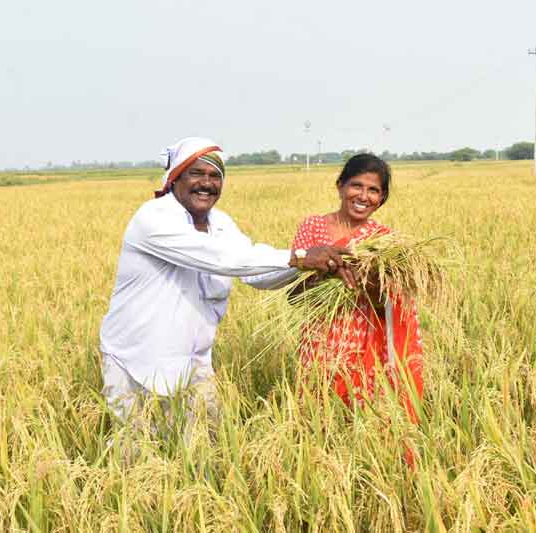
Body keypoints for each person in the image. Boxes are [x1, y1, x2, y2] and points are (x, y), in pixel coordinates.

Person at [99, 137, 353, 444]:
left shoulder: (220, 224)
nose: (206, 183)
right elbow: (224, 259)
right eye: (196, 174)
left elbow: (255, 274)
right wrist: (300, 257)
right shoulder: (153, 218)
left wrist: (315, 266)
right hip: (136, 362)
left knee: (209, 450)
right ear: (175, 177)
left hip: (193, 364)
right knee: (136, 454)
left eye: (215, 176)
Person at [290, 154, 424, 429]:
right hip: (319, 345)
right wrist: (327, 273)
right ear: (340, 186)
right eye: (356, 186)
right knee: (316, 423)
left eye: (373, 190)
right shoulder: (312, 228)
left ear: (382, 197)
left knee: (364, 425)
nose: (363, 196)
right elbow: (295, 296)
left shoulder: (385, 242)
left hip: (366, 348)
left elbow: (387, 306)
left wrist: (368, 282)